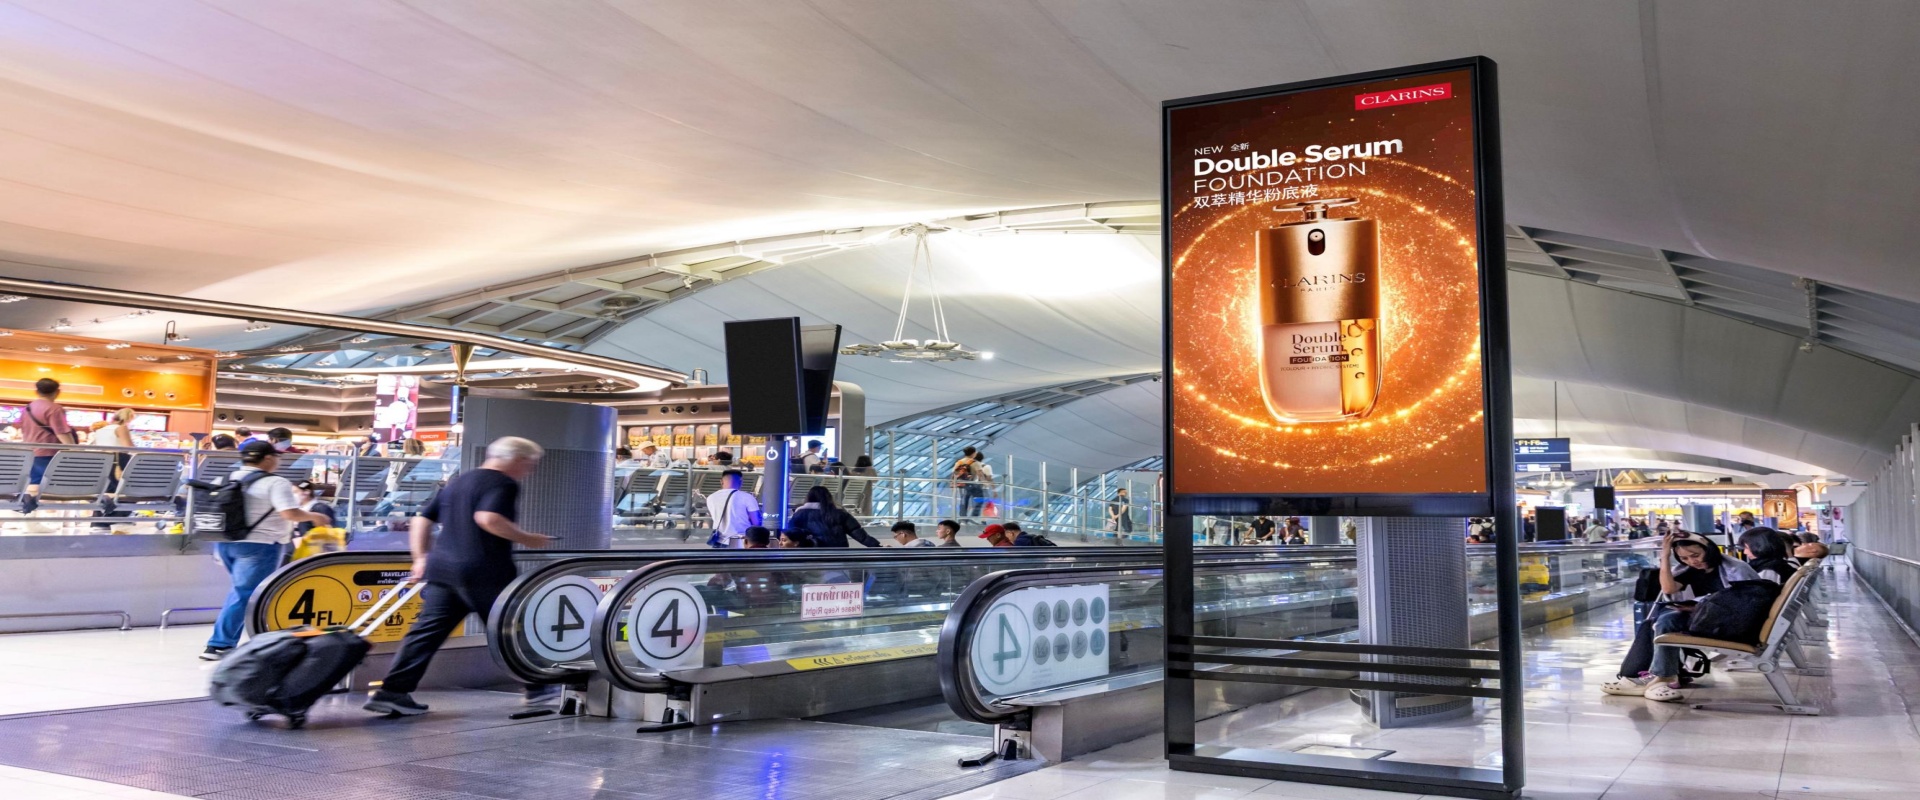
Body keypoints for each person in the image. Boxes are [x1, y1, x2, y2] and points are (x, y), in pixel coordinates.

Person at [365, 437, 555, 716]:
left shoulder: (458, 481)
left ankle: (392, 692)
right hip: (484, 570)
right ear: (517, 459)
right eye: (530, 464)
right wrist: (528, 538)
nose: (530, 471)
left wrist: (421, 558)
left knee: (426, 632)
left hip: (443, 569)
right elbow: (487, 518)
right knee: (511, 626)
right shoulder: (502, 483)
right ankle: (538, 687)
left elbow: (421, 520)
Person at [202, 442, 332, 660]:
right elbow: (290, 514)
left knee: (242, 592)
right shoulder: (276, 482)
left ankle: (235, 640)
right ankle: (218, 645)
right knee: (244, 594)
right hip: (260, 546)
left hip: (225, 543)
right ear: (268, 458)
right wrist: (316, 516)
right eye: (277, 457)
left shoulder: (224, 478)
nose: (278, 461)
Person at [1603, 532, 1760, 701]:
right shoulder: (1691, 571)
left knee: (1666, 620)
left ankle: (1659, 677)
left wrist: (1702, 606)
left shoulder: (1736, 569)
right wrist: (1664, 557)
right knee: (1656, 622)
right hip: (1709, 619)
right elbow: (1668, 588)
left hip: (1733, 624)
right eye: (1684, 558)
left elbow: (1745, 604)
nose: (1692, 561)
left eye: (1696, 555)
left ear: (1709, 549)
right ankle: (1655, 676)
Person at [20, 378, 76, 497]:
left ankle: (31, 505)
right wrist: (74, 450)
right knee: (50, 487)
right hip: (50, 453)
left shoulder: (28, 408)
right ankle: (47, 507)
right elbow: (61, 432)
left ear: (37, 391)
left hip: (31, 452)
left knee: (33, 484)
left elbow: (24, 430)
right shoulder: (55, 408)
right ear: (57, 392)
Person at [788, 484, 881, 547]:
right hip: (838, 554)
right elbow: (858, 533)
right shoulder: (840, 513)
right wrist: (877, 546)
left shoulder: (800, 514)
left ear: (808, 498)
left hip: (811, 555)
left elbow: (790, 535)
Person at [704, 469, 762, 548]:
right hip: (741, 542)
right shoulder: (747, 497)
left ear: (721, 482)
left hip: (718, 541)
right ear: (741, 482)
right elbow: (756, 522)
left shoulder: (711, 497)